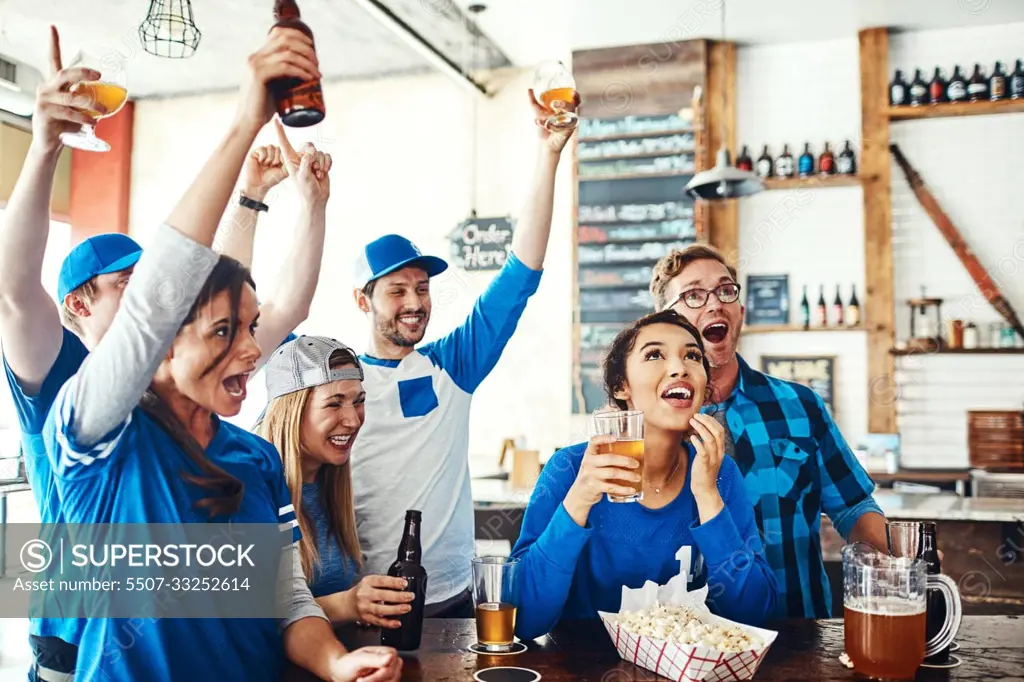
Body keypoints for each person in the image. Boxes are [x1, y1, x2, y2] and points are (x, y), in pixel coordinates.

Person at [40, 26, 400, 682]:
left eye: (251, 329)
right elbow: (152, 301)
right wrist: (244, 122)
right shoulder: (100, 440)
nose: (248, 350)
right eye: (221, 333)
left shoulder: (255, 457)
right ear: (164, 344)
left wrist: (339, 664)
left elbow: (284, 601)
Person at [347, 90, 580, 618]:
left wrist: (548, 156)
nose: (415, 303)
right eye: (397, 291)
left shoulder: (451, 364)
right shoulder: (336, 381)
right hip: (369, 600)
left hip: (454, 597)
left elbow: (520, 274)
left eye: (422, 289)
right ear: (363, 301)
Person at [649, 243, 887, 619]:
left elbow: (852, 505)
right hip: (682, 643)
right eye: (694, 295)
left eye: (726, 291)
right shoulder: (648, 421)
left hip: (797, 633)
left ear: (740, 311)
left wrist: (901, 550)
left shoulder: (800, 405)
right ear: (664, 322)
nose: (715, 304)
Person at [511, 310, 778, 641]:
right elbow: (521, 619)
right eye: (654, 354)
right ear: (622, 386)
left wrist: (707, 496)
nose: (680, 367)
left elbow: (754, 614)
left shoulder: (720, 475)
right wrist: (579, 500)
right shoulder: (569, 468)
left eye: (693, 356)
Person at [257, 336, 416, 629]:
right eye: (334, 404)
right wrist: (345, 604)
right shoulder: (253, 490)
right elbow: (250, 615)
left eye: (358, 402)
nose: (353, 421)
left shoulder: (329, 481)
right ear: (292, 412)